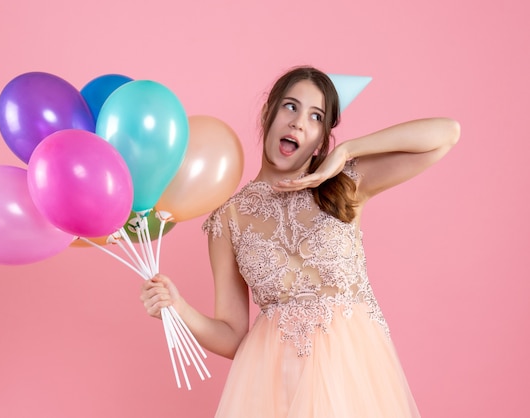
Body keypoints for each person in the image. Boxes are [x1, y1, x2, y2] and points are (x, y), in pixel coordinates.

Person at [140, 66, 460, 417]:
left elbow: (446, 133)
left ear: (322, 137)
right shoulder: (227, 219)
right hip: (274, 388)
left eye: (316, 116)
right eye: (290, 107)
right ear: (269, 113)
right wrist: (178, 308)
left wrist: (348, 150)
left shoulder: (347, 183)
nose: (298, 123)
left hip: (353, 385)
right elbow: (233, 336)